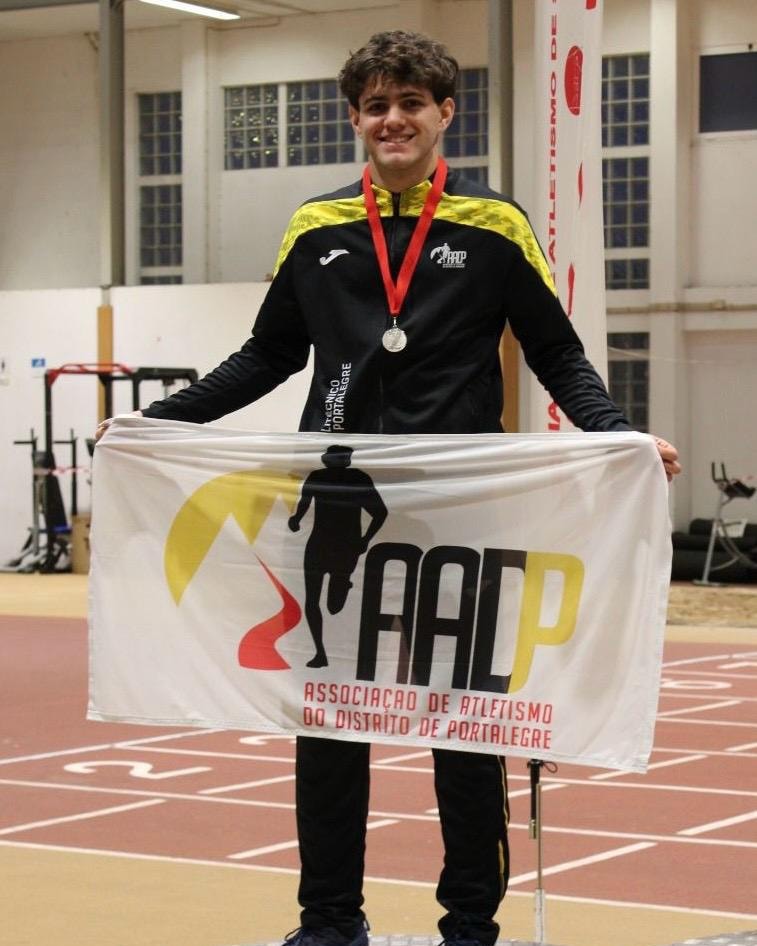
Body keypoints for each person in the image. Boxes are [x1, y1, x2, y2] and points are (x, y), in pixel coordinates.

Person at [96, 30, 681, 946]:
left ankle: (469, 926)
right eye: (375, 105)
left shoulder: (493, 225)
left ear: (445, 112)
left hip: (462, 513)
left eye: (410, 103)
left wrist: (617, 435)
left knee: (465, 729)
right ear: (355, 118)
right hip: (341, 508)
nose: (392, 120)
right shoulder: (316, 226)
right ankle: (329, 922)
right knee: (330, 726)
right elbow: (268, 354)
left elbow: (555, 351)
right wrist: (157, 423)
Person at [288, 444, 387, 668]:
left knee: (334, 606)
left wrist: (365, 540)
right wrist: (296, 518)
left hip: (346, 546)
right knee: (311, 600)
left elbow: (380, 512)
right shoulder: (318, 477)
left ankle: (343, 585)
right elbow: (305, 501)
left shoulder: (357, 479)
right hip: (319, 544)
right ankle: (320, 653)